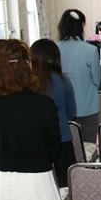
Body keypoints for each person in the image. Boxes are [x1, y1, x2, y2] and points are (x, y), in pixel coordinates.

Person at [0, 39, 75, 200]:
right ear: (26, 67)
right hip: (37, 179)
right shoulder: (43, 105)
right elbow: (53, 144)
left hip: (2, 180)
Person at [30, 38, 77, 187]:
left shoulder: (27, 83)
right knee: (67, 187)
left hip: (35, 142)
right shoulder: (63, 81)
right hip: (62, 141)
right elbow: (71, 113)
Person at [57, 9, 101, 143]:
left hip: (63, 106)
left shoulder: (55, 48)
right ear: (81, 26)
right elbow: (97, 81)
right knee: (89, 146)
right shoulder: (91, 50)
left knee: (69, 146)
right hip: (88, 105)